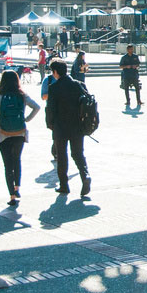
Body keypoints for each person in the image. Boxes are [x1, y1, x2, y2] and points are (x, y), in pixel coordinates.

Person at [0, 69, 42, 207]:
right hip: (19, 132)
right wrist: (27, 119)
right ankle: (17, 187)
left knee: (7, 165)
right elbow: (37, 107)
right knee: (17, 160)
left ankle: (11, 195)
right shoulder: (22, 96)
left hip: (3, 134)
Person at [45, 59, 91, 198]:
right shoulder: (79, 85)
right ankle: (85, 176)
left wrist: (50, 124)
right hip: (78, 126)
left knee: (62, 156)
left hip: (60, 127)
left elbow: (50, 109)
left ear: (55, 72)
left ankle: (64, 185)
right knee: (78, 153)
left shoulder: (54, 88)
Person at [119, 44, 143, 108]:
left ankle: (139, 100)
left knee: (137, 88)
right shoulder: (124, 57)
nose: (131, 50)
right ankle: (128, 101)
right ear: (127, 50)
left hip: (134, 74)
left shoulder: (135, 56)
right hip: (126, 75)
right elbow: (120, 66)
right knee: (126, 89)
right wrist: (126, 66)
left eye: (132, 49)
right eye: (130, 49)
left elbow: (138, 64)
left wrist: (136, 66)